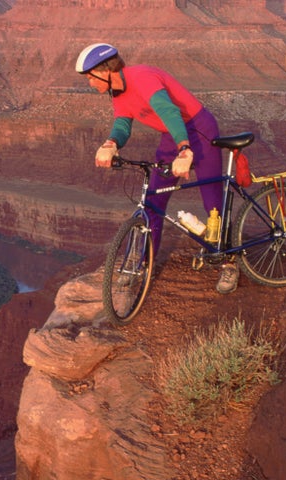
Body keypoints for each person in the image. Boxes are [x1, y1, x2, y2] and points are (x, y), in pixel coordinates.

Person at [75, 42, 239, 294]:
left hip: (199, 129)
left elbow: (168, 110)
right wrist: (111, 142)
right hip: (171, 135)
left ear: (105, 70)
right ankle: (143, 262)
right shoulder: (117, 92)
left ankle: (229, 263)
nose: (90, 83)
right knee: (154, 199)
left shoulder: (141, 77)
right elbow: (122, 124)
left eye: (90, 77)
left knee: (212, 196)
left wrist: (185, 148)